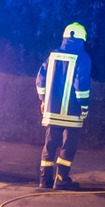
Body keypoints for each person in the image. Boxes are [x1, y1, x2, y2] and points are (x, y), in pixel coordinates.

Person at [35, 22, 92, 190]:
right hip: (72, 112)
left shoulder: (52, 56)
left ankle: (44, 180)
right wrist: (84, 106)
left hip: (51, 111)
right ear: (82, 39)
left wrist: (43, 99)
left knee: (50, 145)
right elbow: (81, 85)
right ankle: (61, 179)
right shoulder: (83, 58)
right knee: (69, 145)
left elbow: (40, 80)